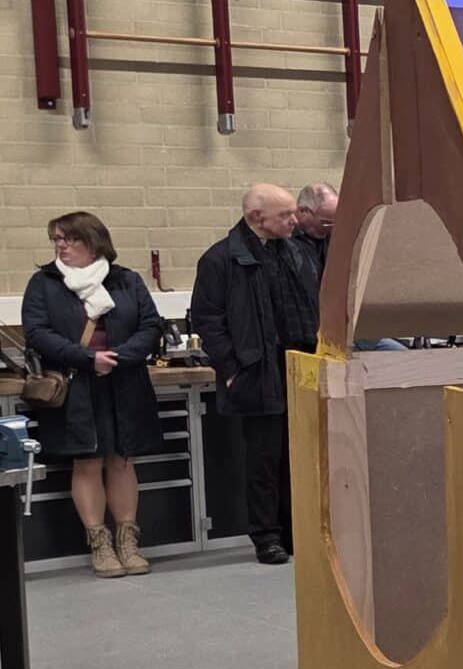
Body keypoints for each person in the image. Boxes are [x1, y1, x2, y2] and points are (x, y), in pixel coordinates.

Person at [21, 212, 164, 578]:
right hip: (77, 386)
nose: (61, 246)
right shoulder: (44, 284)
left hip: (124, 382)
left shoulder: (126, 280)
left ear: (94, 242)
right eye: (56, 239)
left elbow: (151, 326)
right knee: (86, 462)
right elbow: (38, 333)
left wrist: (119, 358)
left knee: (122, 459)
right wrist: (88, 359)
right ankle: (100, 544)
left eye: (69, 239)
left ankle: (128, 543)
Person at [191, 183, 320, 565]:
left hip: (300, 364)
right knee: (263, 459)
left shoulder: (299, 252)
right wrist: (231, 368)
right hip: (256, 369)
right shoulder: (220, 260)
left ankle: (298, 531)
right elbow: (208, 320)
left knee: (300, 455)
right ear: (256, 218)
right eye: (285, 215)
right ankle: (267, 536)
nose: (295, 220)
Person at [293, 181, 338, 281]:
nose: (330, 229)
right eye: (325, 222)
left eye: (334, 223)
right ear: (303, 211)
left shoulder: (331, 237)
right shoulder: (283, 239)